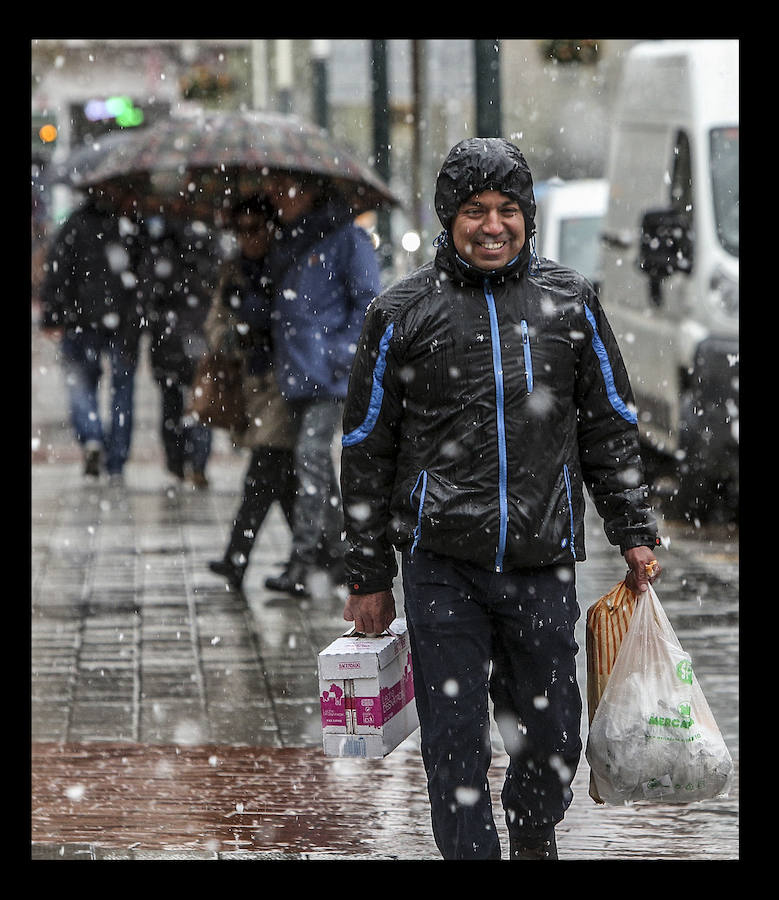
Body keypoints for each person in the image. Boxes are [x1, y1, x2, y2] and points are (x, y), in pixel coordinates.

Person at [339, 138, 662, 860]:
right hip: (439, 566)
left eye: (507, 210)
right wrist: (365, 576)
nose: (492, 226)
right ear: (447, 218)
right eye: (475, 211)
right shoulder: (399, 314)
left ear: (527, 217)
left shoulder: (570, 304)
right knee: (452, 745)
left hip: (542, 559)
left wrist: (632, 528)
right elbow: (366, 448)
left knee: (553, 739)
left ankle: (532, 834)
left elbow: (608, 425)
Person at [260, 172, 382, 599]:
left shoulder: (346, 239)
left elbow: (369, 300)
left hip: (329, 375)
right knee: (314, 465)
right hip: (296, 373)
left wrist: (342, 354)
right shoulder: (287, 240)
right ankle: (336, 554)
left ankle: (305, 558)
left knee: (311, 458)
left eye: (284, 187)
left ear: (310, 191)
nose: (276, 195)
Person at [206, 195, 298, 590]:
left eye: (256, 228)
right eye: (241, 230)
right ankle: (322, 557)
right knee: (285, 482)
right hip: (250, 384)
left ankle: (236, 558)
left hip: (284, 384)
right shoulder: (234, 273)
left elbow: (301, 320)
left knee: (264, 472)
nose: (249, 238)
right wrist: (234, 331)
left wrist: (267, 315)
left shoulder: (288, 266)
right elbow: (214, 327)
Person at [40, 177, 147, 482]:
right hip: (120, 320)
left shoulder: (76, 225)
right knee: (122, 389)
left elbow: (58, 270)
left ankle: (91, 436)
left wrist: (55, 313)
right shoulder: (128, 224)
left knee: (81, 384)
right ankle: (115, 460)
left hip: (82, 319)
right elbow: (144, 274)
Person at [140, 192, 221, 488]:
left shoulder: (161, 245)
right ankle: (197, 464)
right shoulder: (208, 242)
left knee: (171, 403)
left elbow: (148, 289)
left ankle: (176, 463)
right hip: (197, 333)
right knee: (200, 402)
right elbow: (216, 284)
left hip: (168, 335)